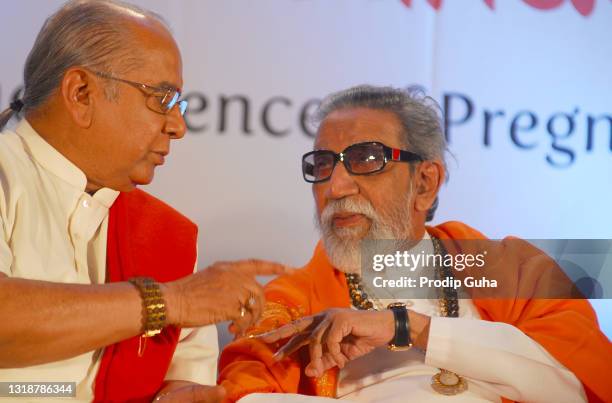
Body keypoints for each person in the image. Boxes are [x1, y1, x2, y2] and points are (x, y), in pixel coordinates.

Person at [217, 85, 612, 403]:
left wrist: (407, 328)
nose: (335, 186)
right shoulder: (289, 305)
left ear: (425, 183)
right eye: (322, 165)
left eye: (366, 159)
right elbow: (245, 395)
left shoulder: (517, 271)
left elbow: (578, 385)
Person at [0, 1, 285, 402]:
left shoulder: (167, 236)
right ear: (81, 93)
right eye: (161, 99)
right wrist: (169, 301)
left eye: (179, 105)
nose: (179, 126)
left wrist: (176, 396)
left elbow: (184, 379)